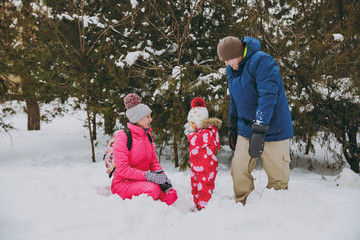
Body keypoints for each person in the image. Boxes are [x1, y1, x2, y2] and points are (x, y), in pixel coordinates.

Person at [217, 36, 294, 205]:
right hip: (246, 129)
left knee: (278, 179)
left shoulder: (262, 62)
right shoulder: (232, 70)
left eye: (229, 59)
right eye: (224, 61)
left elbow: (267, 97)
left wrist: (260, 128)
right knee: (239, 168)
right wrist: (232, 125)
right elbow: (234, 100)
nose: (227, 64)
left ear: (239, 54)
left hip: (274, 129)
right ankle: (243, 204)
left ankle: (277, 209)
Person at [111, 93, 178, 205]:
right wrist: (148, 176)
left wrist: (160, 175)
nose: (150, 119)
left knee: (171, 195)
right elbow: (122, 168)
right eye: (148, 117)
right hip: (123, 183)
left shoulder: (147, 136)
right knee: (153, 189)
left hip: (143, 181)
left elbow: (153, 161)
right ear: (137, 118)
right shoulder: (123, 137)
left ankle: (156, 210)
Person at [184, 97, 222, 210]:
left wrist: (190, 133)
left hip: (207, 166)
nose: (191, 126)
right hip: (196, 165)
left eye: (193, 124)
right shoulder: (198, 131)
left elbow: (197, 141)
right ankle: (197, 203)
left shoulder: (208, 132)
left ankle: (204, 206)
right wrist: (192, 132)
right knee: (195, 184)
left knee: (205, 186)